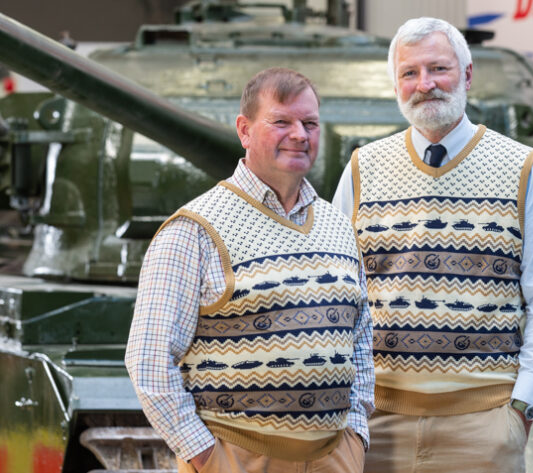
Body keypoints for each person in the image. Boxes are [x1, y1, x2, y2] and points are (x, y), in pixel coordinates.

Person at [332, 18, 533, 473]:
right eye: (409, 73)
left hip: (484, 427)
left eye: (438, 69)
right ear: (396, 84)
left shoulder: (522, 170)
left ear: (466, 74)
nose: (425, 85)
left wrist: (522, 409)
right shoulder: (361, 170)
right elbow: (338, 294)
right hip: (376, 424)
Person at [126, 68, 374, 473]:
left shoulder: (338, 225)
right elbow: (149, 360)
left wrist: (356, 437)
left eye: (309, 123)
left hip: (335, 458)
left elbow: (360, 340)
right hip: (237, 459)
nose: (299, 134)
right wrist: (208, 459)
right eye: (281, 121)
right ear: (244, 130)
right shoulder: (195, 229)